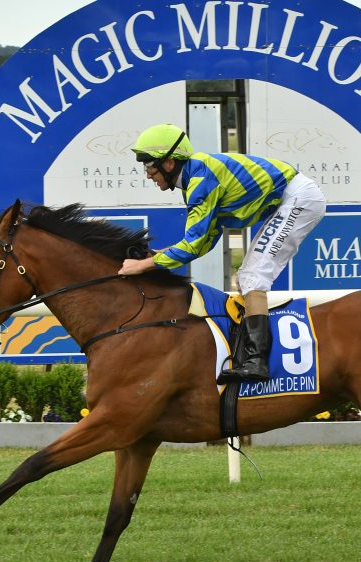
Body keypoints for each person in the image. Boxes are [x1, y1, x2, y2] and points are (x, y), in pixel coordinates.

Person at [118, 123, 326, 383]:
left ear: (169, 163)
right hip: (293, 197)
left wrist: (143, 265)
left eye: (149, 165)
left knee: (252, 277)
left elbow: (193, 245)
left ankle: (257, 362)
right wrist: (164, 256)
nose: (148, 174)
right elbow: (205, 241)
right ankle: (254, 358)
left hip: (298, 198)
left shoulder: (200, 181)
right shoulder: (195, 178)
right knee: (249, 277)